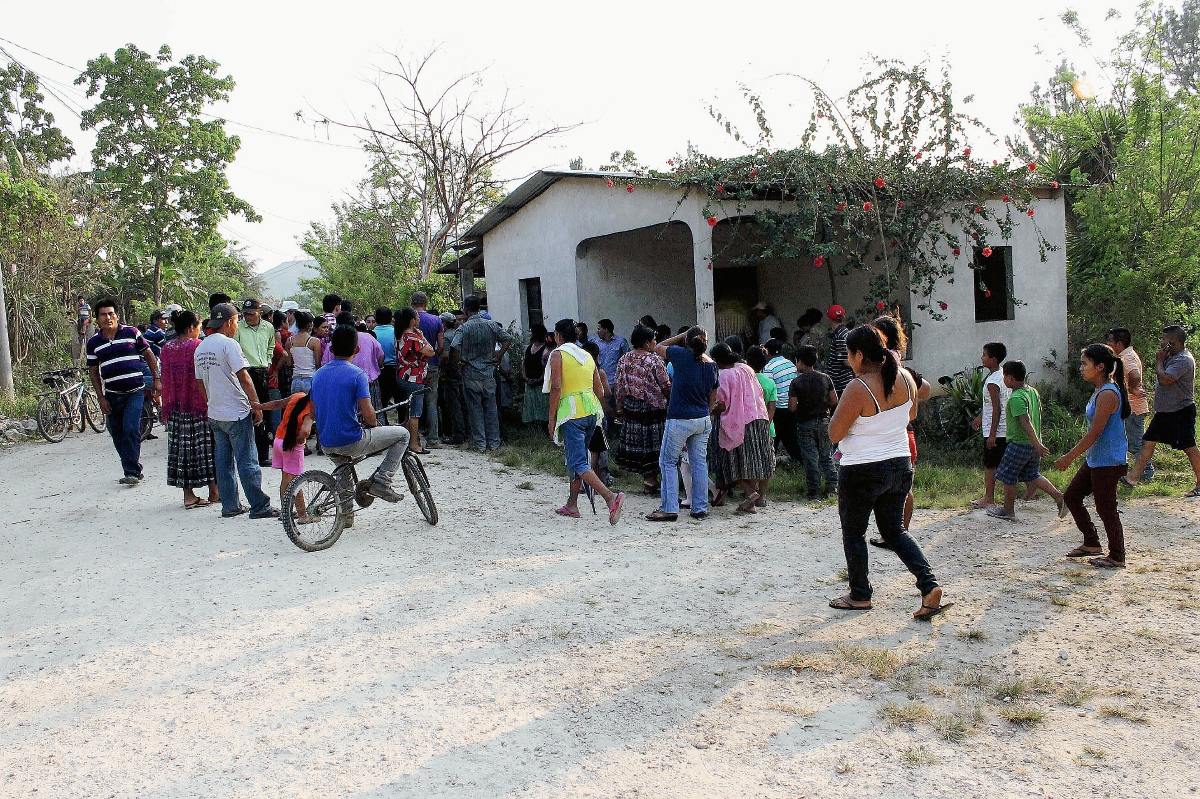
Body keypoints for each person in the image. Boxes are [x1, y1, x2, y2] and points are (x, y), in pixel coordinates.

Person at [827, 325, 950, 620]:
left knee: (854, 533)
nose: (848, 360)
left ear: (858, 354)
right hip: (900, 463)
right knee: (895, 531)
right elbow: (911, 415)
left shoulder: (859, 387)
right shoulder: (906, 377)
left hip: (862, 469)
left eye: (848, 354)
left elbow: (834, 433)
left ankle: (860, 596)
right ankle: (929, 585)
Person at [311, 324, 411, 508]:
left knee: (343, 473)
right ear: (356, 349)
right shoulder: (358, 375)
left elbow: (312, 412)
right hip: (350, 440)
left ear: (331, 349)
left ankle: (346, 515)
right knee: (403, 435)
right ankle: (382, 481)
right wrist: (375, 424)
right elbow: (368, 413)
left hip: (326, 441)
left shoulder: (318, 375)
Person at [193, 303, 278, 519]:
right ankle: (259, 505)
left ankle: (230, 505)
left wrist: (211, 403)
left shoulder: (201, 348)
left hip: (215, 413)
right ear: (230, 322)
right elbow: (244, 377)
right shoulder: (229, 345)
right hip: (236, 412)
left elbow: (200, 384)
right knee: (247, 460)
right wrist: (256, 405)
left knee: (223, 462)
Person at [1054, 345, 1132, 568]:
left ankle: (1117, 555)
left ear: (1100, 367)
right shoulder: (1101, 389)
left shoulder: (1108, 393)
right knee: (1072, 496)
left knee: (1106, 507)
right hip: (1097, 459)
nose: (1081, 368)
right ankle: (1091, 542)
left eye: (1084, 363)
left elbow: (1094, 433)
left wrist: (1069, 457)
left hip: (1109, 461)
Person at [545, 319, 626, 523]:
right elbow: (599, 391)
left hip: (571, 413)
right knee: (579, 458)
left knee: (578, 461)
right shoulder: (587, 355)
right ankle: (572, 504)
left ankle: (610, 498)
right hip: (591, 411)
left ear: (558, 336)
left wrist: (551, 419)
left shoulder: (558, 355)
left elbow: (556, 388)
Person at [86, 297, 160, 486]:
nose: (108, 318)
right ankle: (133, 465)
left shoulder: (131, 333)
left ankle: (131, 471)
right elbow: (94, 372)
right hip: (112, 394)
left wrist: (157, 379)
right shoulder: (94, 343)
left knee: (130, 429)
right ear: (97, 319)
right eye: (103, 315)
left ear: (117, 316)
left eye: (111, 314)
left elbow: (149, 354)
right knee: (116, 432)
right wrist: (101, 397)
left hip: (135, 391)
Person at [647, 328, 719, 521]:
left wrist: (681, 336)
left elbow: (657, 347)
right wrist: (707, 412)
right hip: (702, 418)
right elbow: (713, 395)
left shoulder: (681, 355)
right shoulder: (711, 363)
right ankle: (700, 507)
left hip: (680, 417)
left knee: (668, 461)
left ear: (688, 340)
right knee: (699, 463)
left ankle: (669, 508)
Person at [869, 315, 931, 539]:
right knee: (903, 486)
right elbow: (926, 390)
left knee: (886, 487)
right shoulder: (904, 371)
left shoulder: (877, 371)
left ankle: (894, 533)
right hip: (905, 433)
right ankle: (898, 532)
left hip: (886, 436)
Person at [1125, 325, 1200, 495]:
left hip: (1181, 410)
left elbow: (1166, 379)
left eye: (1165, 340)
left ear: (1176, 343)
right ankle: (1133, 477)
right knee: (1148, 440)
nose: (1162, 343)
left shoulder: (1183, 360)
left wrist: (1159, 361)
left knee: (1189, 446)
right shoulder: (1172, 357)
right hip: (1166, 411)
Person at [986, 361, 1065, 521]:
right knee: (1031, 474)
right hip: (1032, 444)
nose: (1004, 380)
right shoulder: (1032, 392)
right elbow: (1037, 415)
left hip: (1020, 443)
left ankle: (1008, 511)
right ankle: (1060, 498)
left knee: (1008, 476)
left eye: (1005, 377)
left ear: (1010, 378)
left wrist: (1036, 443)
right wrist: (1037, 443)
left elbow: (1026, 421)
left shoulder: (1016, 397)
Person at [160, 310, 218, 509]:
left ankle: (188, 495)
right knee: (206, 448)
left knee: (182, 449)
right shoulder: (197, 346)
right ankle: (214, 491)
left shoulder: (167, 348)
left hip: (176, 406)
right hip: (198, 405)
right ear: (191, 327)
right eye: (199, 327)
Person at [708, 344, 774, 511]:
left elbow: (722, 404)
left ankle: (750, 492)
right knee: (751, 461)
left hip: (738, 422)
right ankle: (750, 503)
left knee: (732, 461)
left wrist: (709, 410)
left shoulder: (724, 375)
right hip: (758, 418)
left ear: (717, 360)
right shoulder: (746, 368)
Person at [612, 325, 671, 493]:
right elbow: (665, 385)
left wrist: (620, 407)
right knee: (653, 444)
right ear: (647, 343)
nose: (655, 343)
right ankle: (652, 481)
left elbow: (619, 384)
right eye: (654, 340)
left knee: (639, 445)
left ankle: (648, 480)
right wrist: (670, 400)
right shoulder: (654, 360)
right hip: (653, 409)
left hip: (631, 407)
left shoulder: (624, 358)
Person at [449, 295, 512, 452]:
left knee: (475, 409)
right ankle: (494, 442)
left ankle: (480, 443)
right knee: (491, 408)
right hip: (488, 372)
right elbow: (507, 339)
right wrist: (498, 356)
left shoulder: (464, 328)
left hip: (470, 371)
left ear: (466, 309)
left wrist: (458, 364)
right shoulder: (491, 325)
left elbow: (454, 347)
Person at [789, 345, 839, 500]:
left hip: (805, 423)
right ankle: (832, 488)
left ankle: (813, 491)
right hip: (824, 421)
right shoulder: (826, 378)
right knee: (826, 456)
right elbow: (834, 400)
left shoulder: (796, 382)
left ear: (801, 362)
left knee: (811, 458)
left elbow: (791, 407)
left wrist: (801, 411)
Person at [258, 391, 314, 522]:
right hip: (291, 445)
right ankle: (302, 515)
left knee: (286, 479)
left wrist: (258, 406)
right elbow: (305, 431)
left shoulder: (297, 396)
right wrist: (299, 441)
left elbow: (277, 404)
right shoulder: (310, 410)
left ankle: (285, 512)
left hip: (278, 440)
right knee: (295, 481)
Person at [232, 298, 276, 467]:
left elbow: (271, 346)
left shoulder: (268, 328)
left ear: (260, 313)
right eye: (245, 313)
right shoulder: (239, 328)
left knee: (262, 412)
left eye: (251, 313)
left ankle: (262, 455)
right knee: (246, 412)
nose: (247, 316)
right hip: (245, 372)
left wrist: (268, 360)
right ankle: (245, 455)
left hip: (262, 371)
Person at [1106, 327, 1153, 482]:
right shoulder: (1124, 356)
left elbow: (1135, 375)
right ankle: (1130, 472)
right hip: (1130, 408)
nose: (1108, 343)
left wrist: (1132, 388)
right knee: (1129, 441)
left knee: (1136, 443)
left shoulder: (1127, 358)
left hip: (1133, 408)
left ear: (1119, 343)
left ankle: (1146, 473)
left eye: (1110, 341)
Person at [971, 342, 1010, 510]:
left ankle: (989, 498)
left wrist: (992, 434)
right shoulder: (1003, 375)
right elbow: (993, 404)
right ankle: (1031, 488)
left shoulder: (993, 382)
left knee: (990, 465)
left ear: (993, 359)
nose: (982, 357)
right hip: (1004, 428)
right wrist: (980, 416)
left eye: (985, 355)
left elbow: (997, 408)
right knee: (1005, 463)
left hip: (996, 429)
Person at [395, 307, 435, 455]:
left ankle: (405, 441)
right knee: (415, 413)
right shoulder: (414, 338)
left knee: (407, 410)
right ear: (412, 320)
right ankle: (414, 444)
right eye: (417, 317)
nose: (419, 319)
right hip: (414, 377)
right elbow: (431, 351)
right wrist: (422, 336)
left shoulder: (399, 336)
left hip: (402, 375)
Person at [745, 346, 778, 504]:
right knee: (766, 462)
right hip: (767, 427)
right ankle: (762, 496)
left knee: (751, 462)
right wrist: (766, 425)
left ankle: (751, 494)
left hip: (749, 426)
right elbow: (772, 408)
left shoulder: (746, 380)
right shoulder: (769, 382)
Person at [411, 292, 445, 447]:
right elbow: (441, 346)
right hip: (432, 364)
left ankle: (413, 439)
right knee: (432, 402)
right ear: (426, 303)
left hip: (413, 367)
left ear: (412, 304)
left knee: (413, 403)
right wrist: (434, 356)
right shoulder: (436, 320)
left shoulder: (408, 320)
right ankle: (433, 438)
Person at [762, 339, 800, 461]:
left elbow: (768, 389)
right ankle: (799, 460)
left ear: (767, 352)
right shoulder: (791, 364)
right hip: (791, 405)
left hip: (777, 407)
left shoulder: (769, 368)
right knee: (791, 437)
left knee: (774, 437)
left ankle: (770, 460)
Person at [345, 311, 384, 418]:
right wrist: (375, 366)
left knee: (353, 414)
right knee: (374, 411)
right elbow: (381, 356)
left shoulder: (333, 342)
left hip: (346, 383)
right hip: (370, 379)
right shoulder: (368, 337)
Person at [439, 311, 467, 445]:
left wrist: (444, 371)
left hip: (452, 373)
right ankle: (468, 432)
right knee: (464, 403)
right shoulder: (460, 334)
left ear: (443, 323)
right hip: (464, 372)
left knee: (454, 404)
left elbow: (445, 356)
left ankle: (458, 434)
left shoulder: (445, 337)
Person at [521, 323, 552, 427]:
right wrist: (525, 377)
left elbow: (546, 366)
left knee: (543, 407)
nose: (529, 333)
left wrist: (539, 379)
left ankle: (544, 427)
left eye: (531, 331)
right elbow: (524, 363)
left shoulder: (546, 349)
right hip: (529, 382)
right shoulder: (529, 347)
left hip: (541, 384)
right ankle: (532, 427)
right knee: (530, 407)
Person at [374, 307, 399, 424]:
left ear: (376, 318)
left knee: (382, 401)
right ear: (391, 318)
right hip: (396, 369)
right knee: (400, 400)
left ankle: (384, 424)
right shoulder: (397, 332)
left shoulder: (372, 334)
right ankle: (403, 424)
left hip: (379, 371)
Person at [287, 312, 322, 394]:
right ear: (310, 324)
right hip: (310, 378)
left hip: (296, 380)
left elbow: (289, 363)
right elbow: (318, 364)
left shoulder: (290, 341)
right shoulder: (314, 342)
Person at [824, 305, 854, 395]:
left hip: (841, 384)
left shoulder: (840, 336)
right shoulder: (845, 332)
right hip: (844, 382)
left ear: (829, 319)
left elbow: (845, 361)